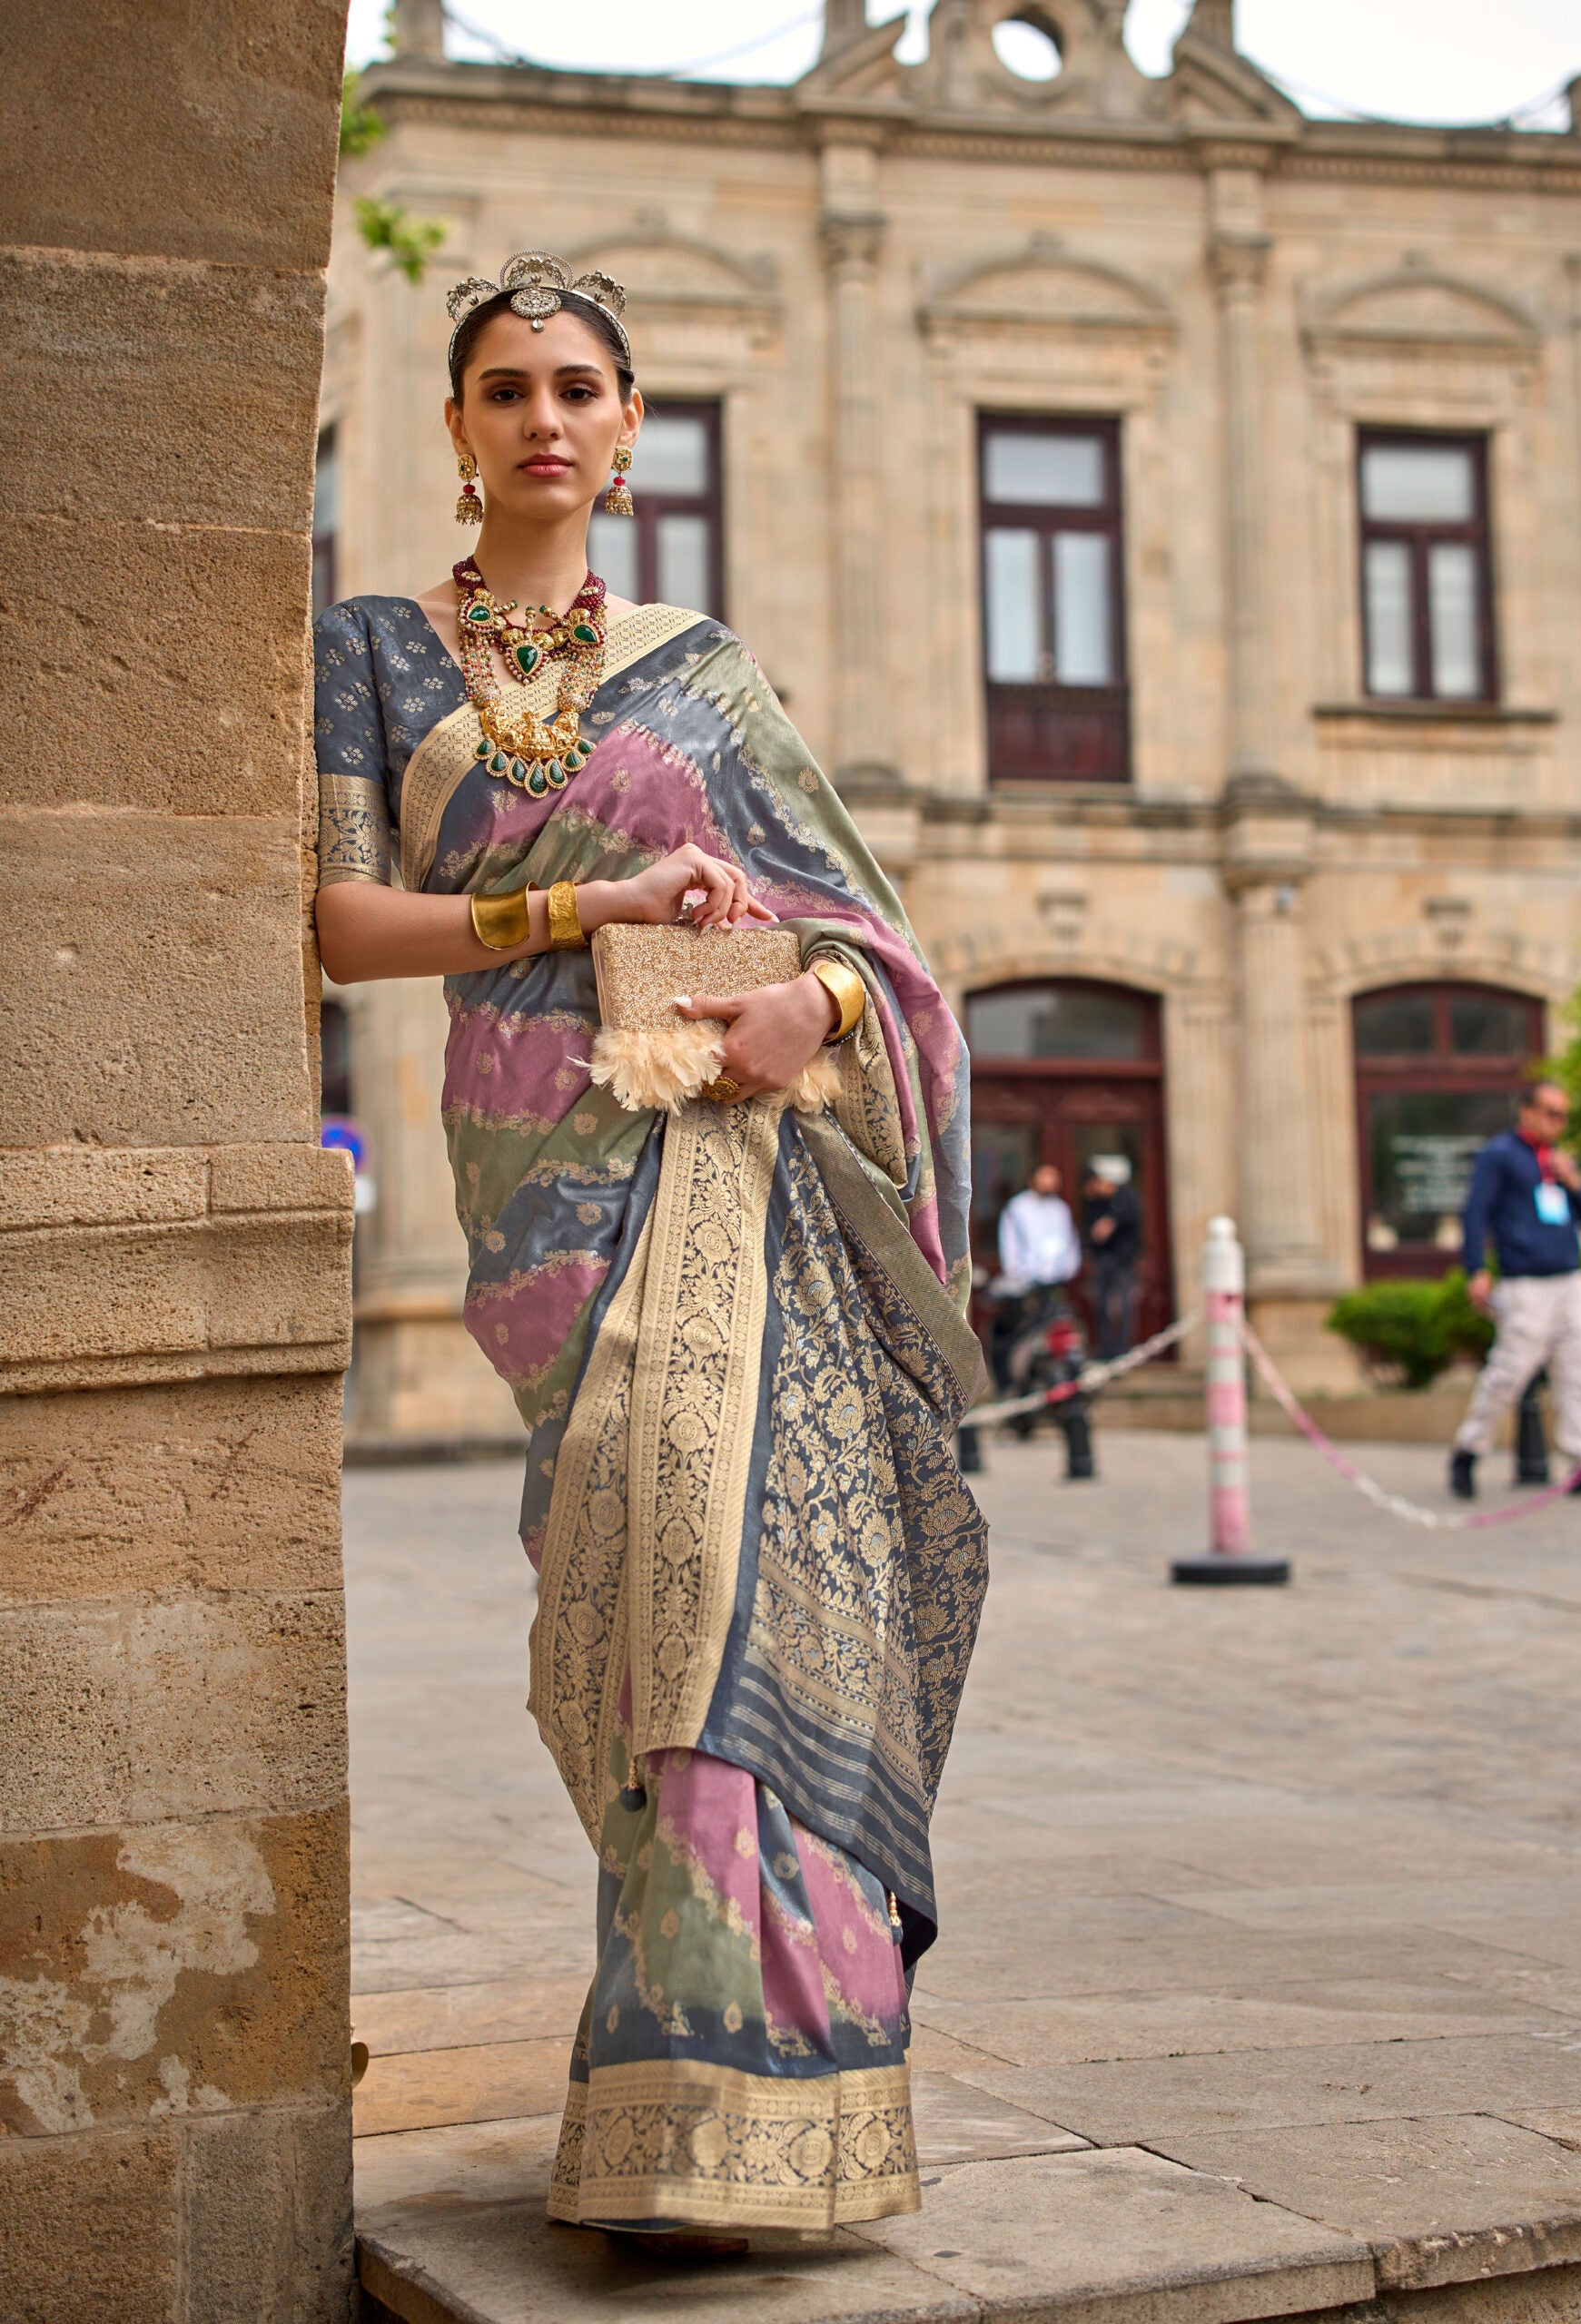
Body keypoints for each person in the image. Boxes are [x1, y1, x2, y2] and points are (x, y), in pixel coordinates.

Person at [312, 255, 988, 2242]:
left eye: (578, 386)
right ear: (453, 429)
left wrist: (823, 1017)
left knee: (724, 1558)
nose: (541, 414)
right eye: (504, 385)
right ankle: (681, 2058)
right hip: (534, 1179)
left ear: (626, 427)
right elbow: (347, 928)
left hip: (719, 1158)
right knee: (617, 1584)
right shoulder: (371, 647)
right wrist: (580, 902)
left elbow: (876, 941)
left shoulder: (702, 668)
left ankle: (744, 2093)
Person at [1448, 1078, 1581, 1500]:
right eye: (1551, 1113)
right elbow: (1476, 1213)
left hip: (1570, 1278)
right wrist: (1476, 1269)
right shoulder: (1500, 1156)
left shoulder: (1559, 1160)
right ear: (1527, 1111)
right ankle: (1467, 1451)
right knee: (1508, 1374)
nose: (1558, 1123)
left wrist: (1575, 1185)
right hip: (1526, 1283)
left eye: (1563, 1115)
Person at [990, 1162, 1081, 1390]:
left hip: (1054, 1281)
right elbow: (1010, 1243)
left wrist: (1068, 1268)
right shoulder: (1018, 1207)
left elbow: (1069, 1240)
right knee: (1019, 1330)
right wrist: (1016, 1273)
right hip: (1026, 1282)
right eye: (1045, 1177)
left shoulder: (1060, 1208)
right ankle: (1011, 1383)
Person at [1082, 1155, 1142, 1361]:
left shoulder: (1126, 1200)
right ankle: (1106, 1349)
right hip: (1103, 1261)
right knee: (1102, 1306)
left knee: (1122, 1307)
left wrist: (1112, 1221)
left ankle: (1122, 1350)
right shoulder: (1096, 1203)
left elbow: (1132, 1218)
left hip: (1122, 1262)